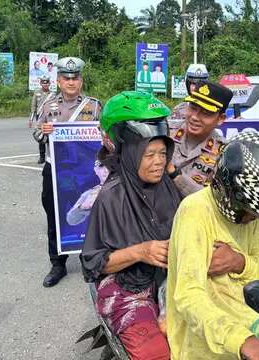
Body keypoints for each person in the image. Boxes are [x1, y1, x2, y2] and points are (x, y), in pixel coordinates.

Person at [166, 130, 259, 360]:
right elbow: (188, 296)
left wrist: (239, 262)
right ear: (233, 196)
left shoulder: (249, 219)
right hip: (205, 348)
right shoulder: (196, 212)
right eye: (252, 212)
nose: (255, 218)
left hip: (249, 332)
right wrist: (243, 341)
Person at [80, 91, 180, 360]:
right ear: (131, 152)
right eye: (149, 155)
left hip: (174, 282)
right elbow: (93, 264)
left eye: (162, 153)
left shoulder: (168, 187)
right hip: (128, 289)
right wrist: (141, 251)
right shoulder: (113, 196)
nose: (159, 162)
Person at [33, 57, 102, 287]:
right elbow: (35, 132)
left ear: (81, 80)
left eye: (75, 78)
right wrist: (43, 131)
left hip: (85, 171)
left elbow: (104, 136)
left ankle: (88, 259)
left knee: (89, 215)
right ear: (59, 81)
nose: (71, 82)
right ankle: (57, 264)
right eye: (66, 78)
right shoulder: (48, 105)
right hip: (56, 170)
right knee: (55, 215)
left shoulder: (94, 106)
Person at [167, 80, 231, 197]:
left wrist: (175, 174)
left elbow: (213, 199)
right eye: (193, 107)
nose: (195, 117)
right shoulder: (165, 132)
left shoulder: (225, 154)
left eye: (206, 113)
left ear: (220, 119)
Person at [66, 160, 109, 226]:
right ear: (96, 170)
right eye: (102, 166)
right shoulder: (90, 194)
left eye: (110, 166)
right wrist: (83, 207)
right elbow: (71, 220)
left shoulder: (126, 188)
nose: (106, 170)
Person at [29, 74, 54, 164]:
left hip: (50, 117)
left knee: (50, 136)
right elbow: (33, 106)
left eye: (47, 83)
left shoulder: (52, 94)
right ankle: (42, 157)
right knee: (41, 137)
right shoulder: (37, 93)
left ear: (49, 83)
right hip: (39, 117)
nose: (45, 84)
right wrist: (31, 119)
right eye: (43, 83)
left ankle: (52, 155)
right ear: (40, 83)